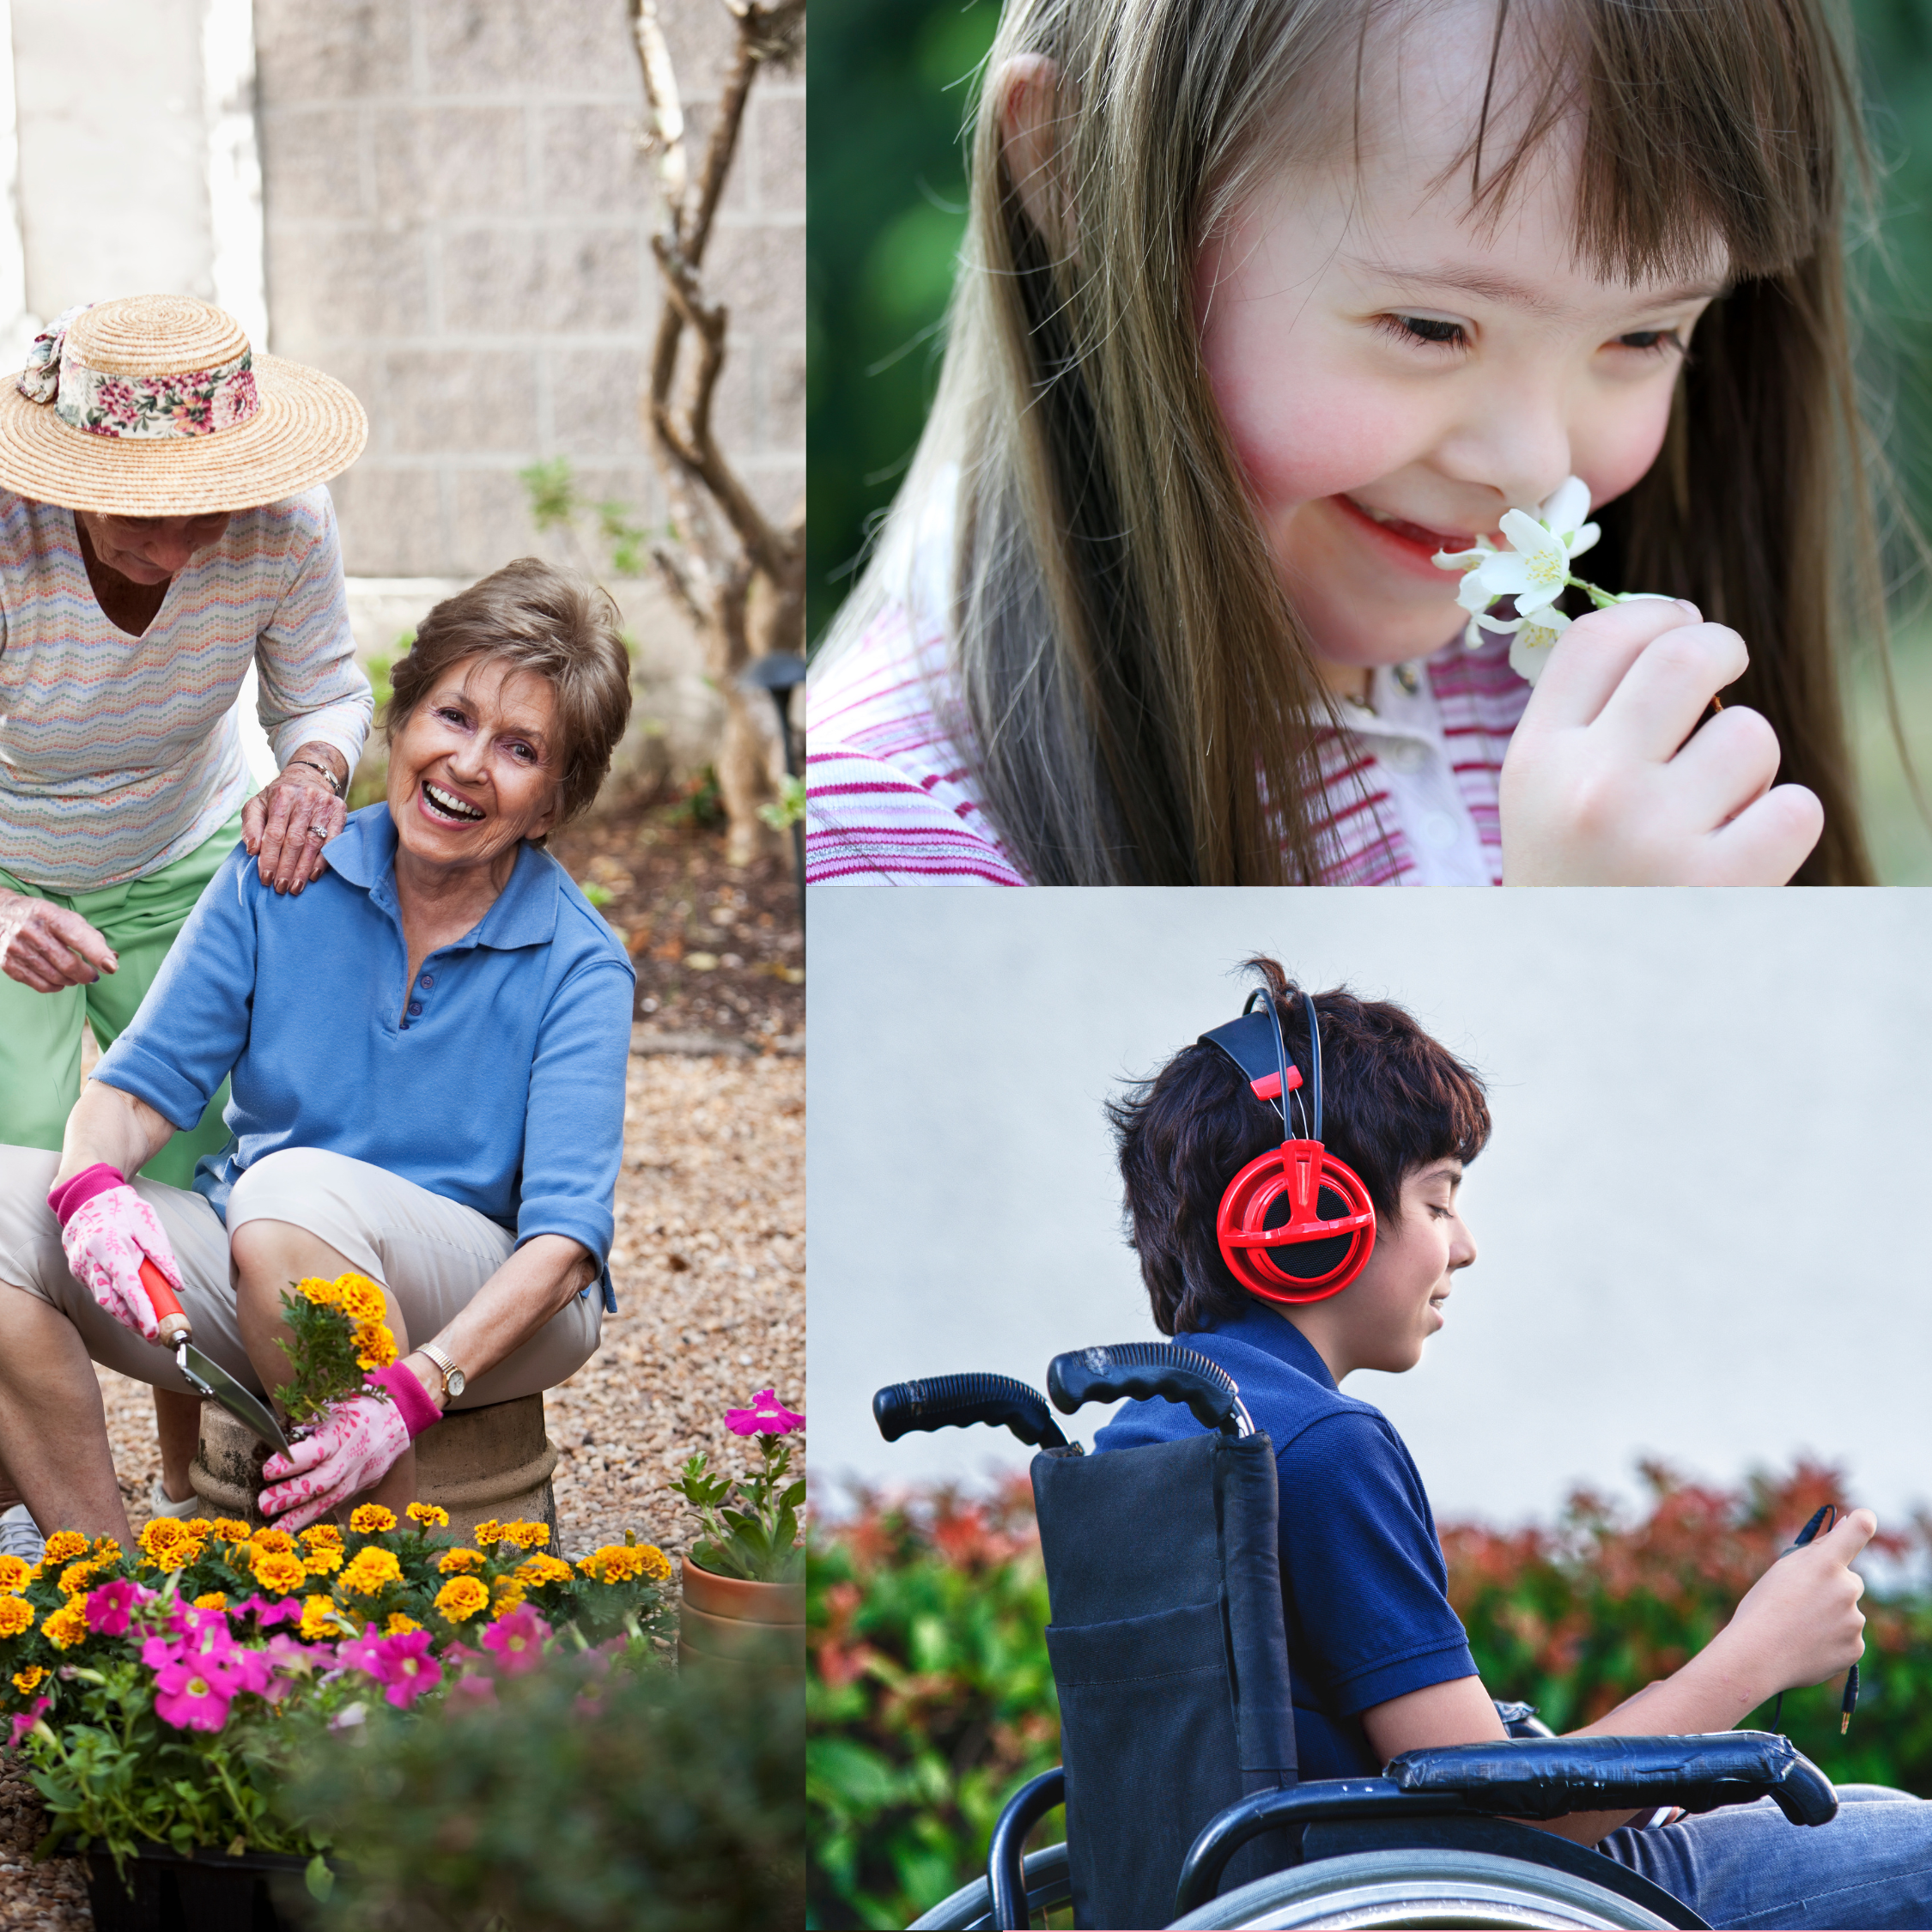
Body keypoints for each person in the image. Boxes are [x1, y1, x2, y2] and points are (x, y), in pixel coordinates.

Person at [805, 0, 1895, 887]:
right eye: (1430, 327)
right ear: (1075, 170)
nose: (1534, 467)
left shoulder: (1588, 700)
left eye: (1645, 335)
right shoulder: (884, 850)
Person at [1097, 957, 1932, 1928]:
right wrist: (1760, 1652)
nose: (1465, 1245)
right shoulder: (1321, 1445)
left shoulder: (1149, 1430)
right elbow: (1498, 1820)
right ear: (1308, 1216)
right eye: (1438, 1201)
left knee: (1874, 1813)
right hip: (1441, 1900)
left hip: (1277, 1887)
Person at [0, 557, 635, 1540]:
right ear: (402, 722)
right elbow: (137, 1089)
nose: (469, 763)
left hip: (489, 1304)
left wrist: (415, 1388)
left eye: (520, 749)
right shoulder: (280, 876)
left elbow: (564, 1248)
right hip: (267, 1259)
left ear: (553, 803)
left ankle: (360, 1608)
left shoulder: (579, 963)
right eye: (453, 717)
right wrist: (90, 1190)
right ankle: (112, 1602)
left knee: (290, 1193)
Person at [0, 293, 373, 1542]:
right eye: (141, 515)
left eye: (200, 507)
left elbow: (324, 690)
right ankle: (30, 1517)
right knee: (13, 1179)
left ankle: (191, 1490)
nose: (176, 547)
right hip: (6, 872)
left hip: (185, 848)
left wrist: (311, 773)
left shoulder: (283, 518)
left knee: (198, 1173)